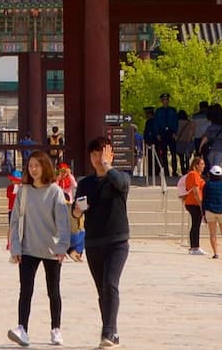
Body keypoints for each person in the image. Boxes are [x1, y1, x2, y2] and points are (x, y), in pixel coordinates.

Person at [5, 151, 72, 347]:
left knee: (54, 290)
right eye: (30, 166)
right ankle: (22, 328)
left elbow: (63, 222)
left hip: (51, 249)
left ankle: (55, 329)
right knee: (25, 290)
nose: (33, 169)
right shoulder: (23, 191)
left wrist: (62, 247)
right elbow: (16, 220)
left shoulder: (55, 191)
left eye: (37, 165)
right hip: (28, 248)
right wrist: (15, 248)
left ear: (45, 167)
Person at [75, 136, 131, 348]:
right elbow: (75, 213)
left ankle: (107, 332)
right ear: (90, 157)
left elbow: (122, 184)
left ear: (111, 155)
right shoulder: (85, 184)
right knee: (102, 291)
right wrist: (76, 211)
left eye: (103, 154)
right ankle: (111, 331)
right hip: (93, 242)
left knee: (110, 284)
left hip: (117, 241)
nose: (99, 158)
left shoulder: (119, 179)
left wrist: (107, 167)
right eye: (95, 154)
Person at [201, 165, 222, 260]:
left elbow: (204, 200)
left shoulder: (207, 185)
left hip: (210, 211)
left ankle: (216, 253)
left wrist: (203, 213)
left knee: (212, 234)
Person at [178, 157, 207, 255]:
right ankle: (195, 247)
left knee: (196, 224)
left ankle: (194, 246)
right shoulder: (193, 174)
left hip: (193, 203)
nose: (203, 166)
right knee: (196, 224)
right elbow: (195, 191)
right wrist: (201, 204)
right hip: (193, 203)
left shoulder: (197, 175)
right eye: (202, 164)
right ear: (196, 165)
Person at [148, 95, 179, 178]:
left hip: (171, 133)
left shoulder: (173, 110)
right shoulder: (159, 111)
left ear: (168, 101)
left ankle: (174, 171)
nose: (165, 101)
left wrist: (175, 132)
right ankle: (166, 171)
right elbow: (156, 123)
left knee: (173, 153)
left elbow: (176, 122)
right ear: (161, 101)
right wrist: (157, 133)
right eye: (163, 100)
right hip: (162, 133)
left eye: (166, 100)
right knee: (164, 154)